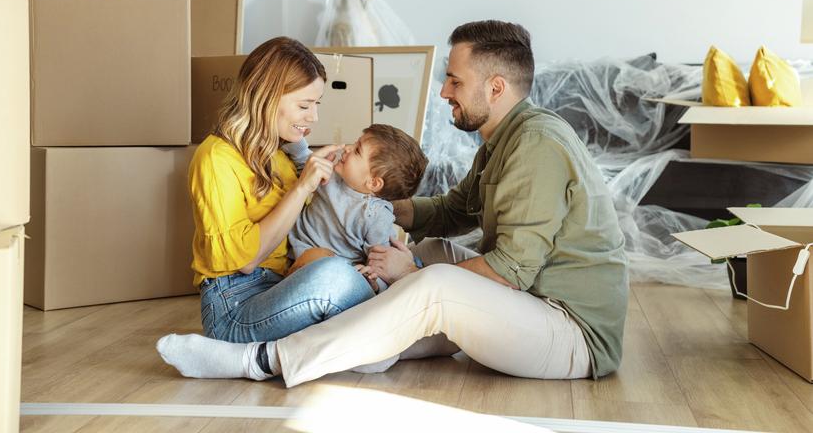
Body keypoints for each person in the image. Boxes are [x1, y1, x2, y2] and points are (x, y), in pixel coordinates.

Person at [157, 20, 629, 386]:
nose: (443, 91)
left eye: (454, 81)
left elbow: (512, 271)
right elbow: (452, 211)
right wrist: (366, 199)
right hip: (534, 301)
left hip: (568, 330)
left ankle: (260, 360)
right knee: (434, 255)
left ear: (496, 87)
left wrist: (408, 274)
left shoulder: (536, 146)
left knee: (433, 280)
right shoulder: (503, 140)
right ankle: (374, 342)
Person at [188, 36, 376, 346]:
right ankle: (383, 332)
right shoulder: (214, 158)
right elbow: (245, 262)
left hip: (279, 286)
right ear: (266, 97)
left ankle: (373, 334)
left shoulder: (280, 155)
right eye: (304, 105)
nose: (313, 117)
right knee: (334, 276)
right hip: (233, 307)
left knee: (340, 266)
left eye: (316, 105)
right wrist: (302, 187)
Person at [283, 124, 429, 294]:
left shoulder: (376, 216)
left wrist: (374, 282)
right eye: (355, 143)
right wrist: (295, 132)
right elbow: (304, 162)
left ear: (373, 182)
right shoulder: (333, 173)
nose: (347, 148)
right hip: (291, 250)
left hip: (325, 270)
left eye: (357, 150)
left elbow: (382, 264)